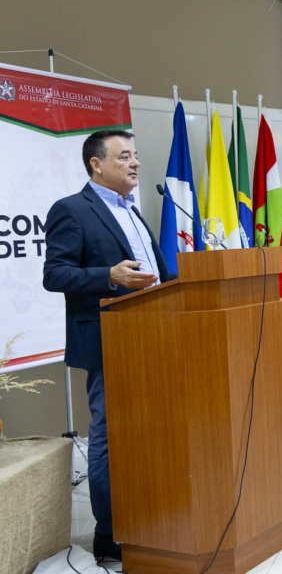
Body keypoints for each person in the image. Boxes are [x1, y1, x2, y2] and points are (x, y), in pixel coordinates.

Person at [43, 131, 174, 563]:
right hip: (111, 340)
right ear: (96, 164)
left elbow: (158, 275)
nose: (135, 163)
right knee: (111, 436)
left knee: (152, 431)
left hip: (157, 335)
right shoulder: (72, 209)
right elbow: (55, 274)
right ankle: (110, 533)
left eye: (135, 155)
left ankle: (154, 514)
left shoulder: (133, 211)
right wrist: (109, 276)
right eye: (124, 156)